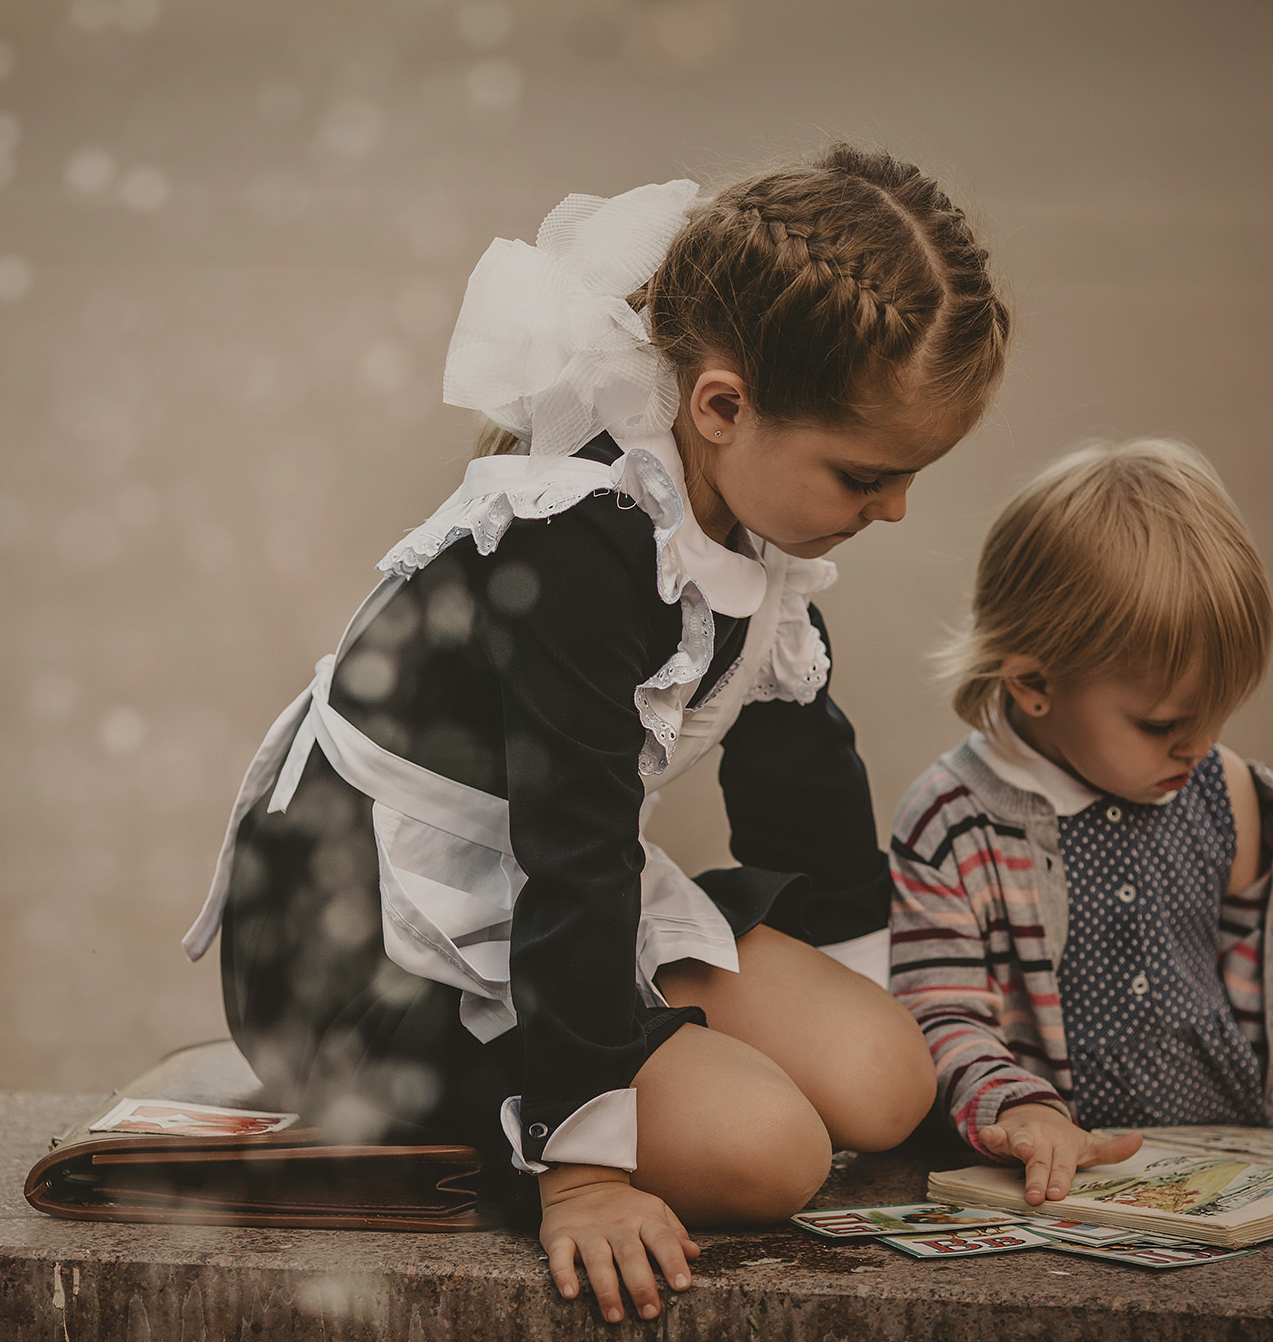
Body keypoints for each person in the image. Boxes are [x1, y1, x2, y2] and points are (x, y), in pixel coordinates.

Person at [181, 144, 1010, 1322]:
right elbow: (568, 841)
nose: (894, 508)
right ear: (722, 405)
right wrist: (581, 1172)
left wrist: (896, 1045)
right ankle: (526, 1115)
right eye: (867, 474)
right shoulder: (575, 539)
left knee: (882, 1080)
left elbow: (801, 773)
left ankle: (656, 1063)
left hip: (547, 891)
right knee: (772, 1153)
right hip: (362, 939)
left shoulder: (744, 503)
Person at [887, 439, 1273, 1210]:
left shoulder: (1224, 790)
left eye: (1217, 715)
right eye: (1162, 723)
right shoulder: (956, 821)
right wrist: (1021, 1109)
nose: (1200, 745)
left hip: (1232, 1178)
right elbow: (938, 1014)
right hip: (1068, 1192)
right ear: (1035, 681)